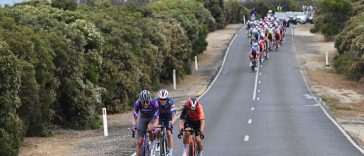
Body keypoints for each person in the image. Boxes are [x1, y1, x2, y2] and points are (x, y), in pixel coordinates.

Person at [131, 90, 159, 156]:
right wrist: (134, 126)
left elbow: (157, 119)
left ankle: (152, 143)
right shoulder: (137, 103)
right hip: (143, 119)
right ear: (140, 101)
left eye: (147, 102)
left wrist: (154, 127)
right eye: (143, 102)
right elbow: (134, 117)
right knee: (139, 142)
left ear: (150, 100)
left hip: (152, 118)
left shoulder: (154, 103)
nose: (145, 104)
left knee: (149, 128)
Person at [154, 89, 176, 156]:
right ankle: (158, 142)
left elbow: (174, 116)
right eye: (161, 99)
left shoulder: (171, 102)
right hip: (159, 116)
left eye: (164, 99)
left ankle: (170, 153)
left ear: (167, 99)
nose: (162, 101)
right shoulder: (155, 102)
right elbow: (152, 114)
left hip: (168, 116)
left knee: (169, 134)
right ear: (159, 98)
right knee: (158, 130)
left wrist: (171, 123)